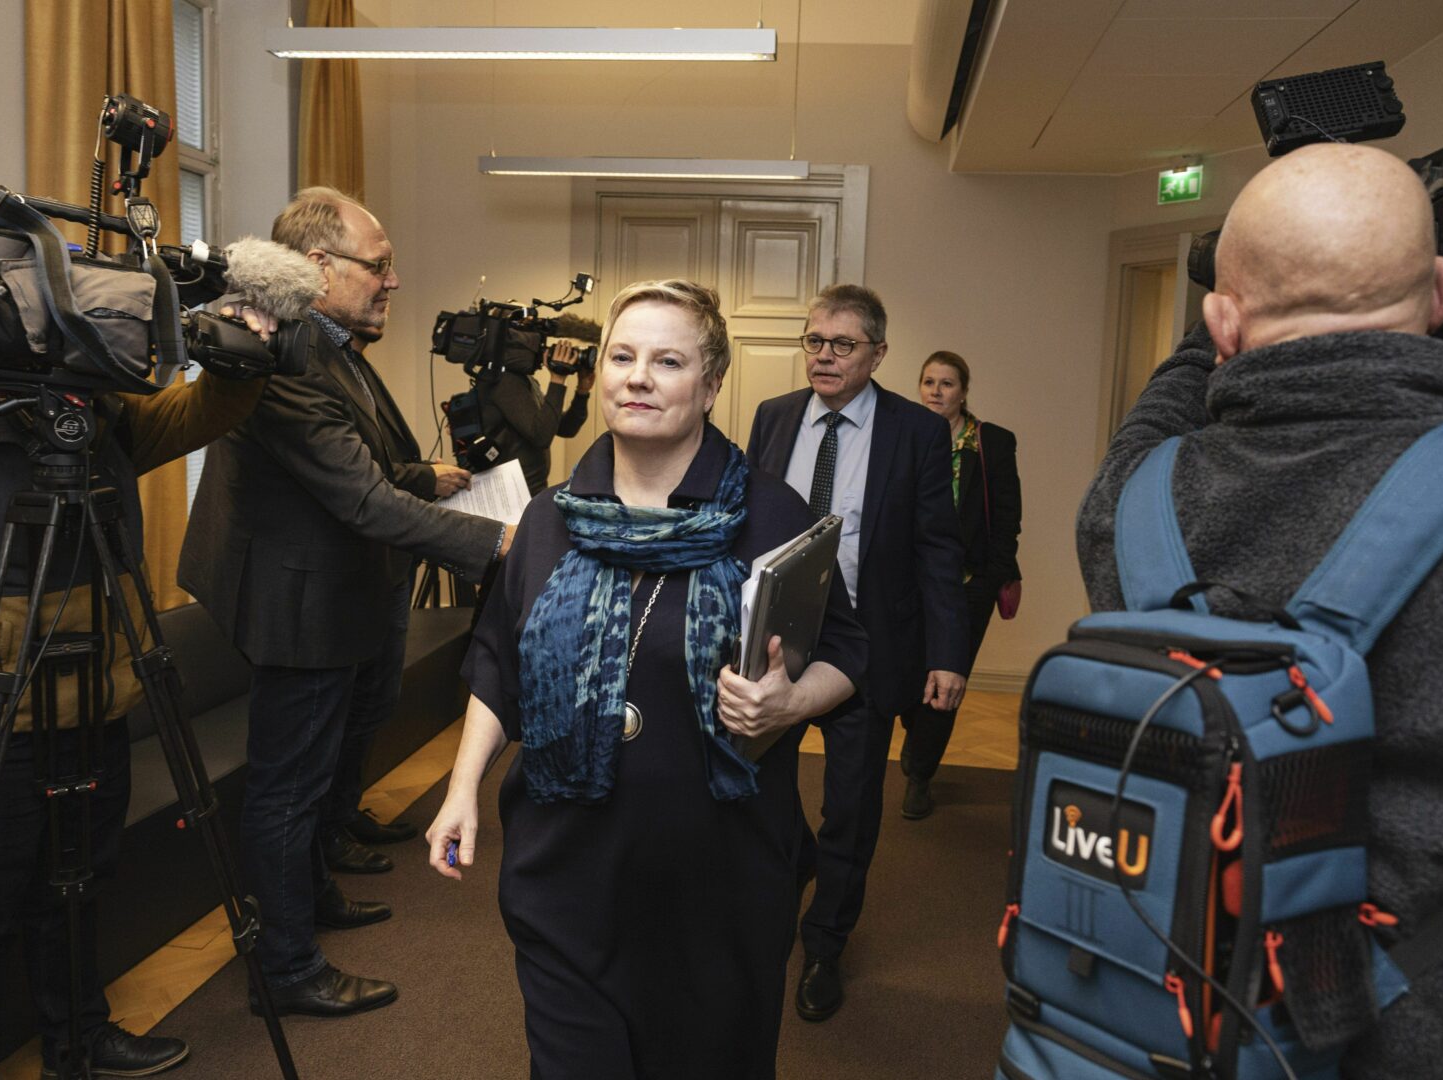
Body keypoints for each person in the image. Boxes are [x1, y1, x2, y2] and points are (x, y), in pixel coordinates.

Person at [1076, 142, 1443, 1078]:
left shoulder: (1127, 511)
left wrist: (1211, 325)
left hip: (1180, 1009)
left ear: (1222, 321)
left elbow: (1155, 419)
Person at [426, 279, 866, 1079]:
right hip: (567, 870)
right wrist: (461, 790)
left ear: (711, 384)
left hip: (717, 879)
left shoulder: (772, 516)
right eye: (622, 357)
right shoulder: (550, 517)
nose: (638, 377)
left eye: (668, 361)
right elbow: (497, 664)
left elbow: (848, 650)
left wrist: (789, 702)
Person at [0, 358, 271, 1078]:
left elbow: (206, 409)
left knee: (77, 892)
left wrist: (242, 353)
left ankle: (80, 1040)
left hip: (95, 710)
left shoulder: (105, 420)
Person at [180, 187, 511, 1019]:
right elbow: (361, 499)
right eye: (380, 265)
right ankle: (285, 971)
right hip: (297, 605)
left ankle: (310, 899)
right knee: (287, 791)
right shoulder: (286, 350)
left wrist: (423, 483)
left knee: (316, 776)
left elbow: (365, 466)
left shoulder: (328, 343)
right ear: (320, 267)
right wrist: (503, 545)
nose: (392, 281)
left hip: (328, 593)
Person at [746, 283, 970, 1021]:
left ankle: (825, 946)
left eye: (842, 344)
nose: (824, 356)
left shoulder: (917, 431)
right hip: (778, 641)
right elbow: (746, 526)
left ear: (878, 353)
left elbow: (939, 549)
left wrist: (948, 653)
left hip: (868, 646)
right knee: (758, 791)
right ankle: (794, 869)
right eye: (814, 341)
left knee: (850, 806)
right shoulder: (774, 416)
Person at [897, 351, 1021, 820]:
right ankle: (918, 737)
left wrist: (990, 581)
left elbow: (1007, 519)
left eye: (946, 383)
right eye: (928, 381)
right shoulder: (906, 436)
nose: (936, 391)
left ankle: (920, 775)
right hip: (910, 584)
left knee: (947, 681)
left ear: (963, 391)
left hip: (968, 586)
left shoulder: (992, 443)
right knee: (909, 673)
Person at [477, 339, 595, 494]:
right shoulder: (503, 380)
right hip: (511, 495)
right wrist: (558, 379)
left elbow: (565, 428)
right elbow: (541, 436)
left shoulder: (526, 380)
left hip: (529, 491)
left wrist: (582, 392)